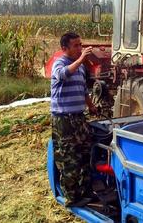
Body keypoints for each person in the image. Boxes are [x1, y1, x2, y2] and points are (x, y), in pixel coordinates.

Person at [50, 31, 98, 207]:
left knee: (85, 154)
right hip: (64, 120)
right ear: (65, 48)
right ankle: (71, 197)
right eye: (76, 45)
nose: (80, 48)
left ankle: (85, 192)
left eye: (81, 44)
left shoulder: (80, 67)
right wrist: (81, 60)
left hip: (79, 117)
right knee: (69, 158)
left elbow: (83, 89)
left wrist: (91, 105)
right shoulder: (60, 63)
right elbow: (63, 74)